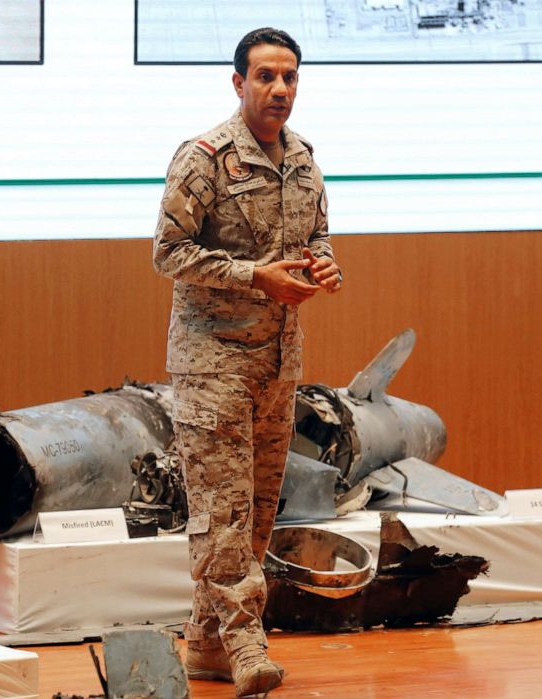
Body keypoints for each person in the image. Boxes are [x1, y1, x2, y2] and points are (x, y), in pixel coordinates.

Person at [152, 26, 341, 698]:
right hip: (212, 364)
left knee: (256, 512)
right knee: (222, 511)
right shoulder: (203, 158)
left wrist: (323, 264)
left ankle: (204, 643)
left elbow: (317, 236)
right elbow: (168, 252)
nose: (280, 89)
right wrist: (256, 277)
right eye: (265, 76)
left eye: (289, 76)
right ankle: (243, 641)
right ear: (239, 83)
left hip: (276, 365)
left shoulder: (304, 161)